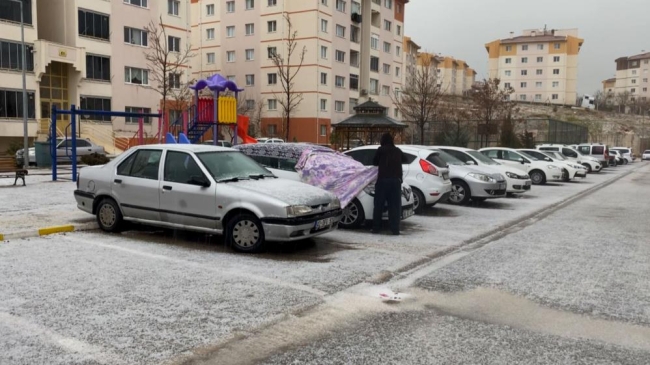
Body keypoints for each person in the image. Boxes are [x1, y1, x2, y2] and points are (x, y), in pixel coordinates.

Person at [372, 133, 407, 235]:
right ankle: (395, 229)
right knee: (394, 206)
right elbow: (405, 159)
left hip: (383, 181)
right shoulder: (397, 150)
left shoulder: (380, 150)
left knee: (378, 205)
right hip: (395, 182)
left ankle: (376, 228)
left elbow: (374, 162)